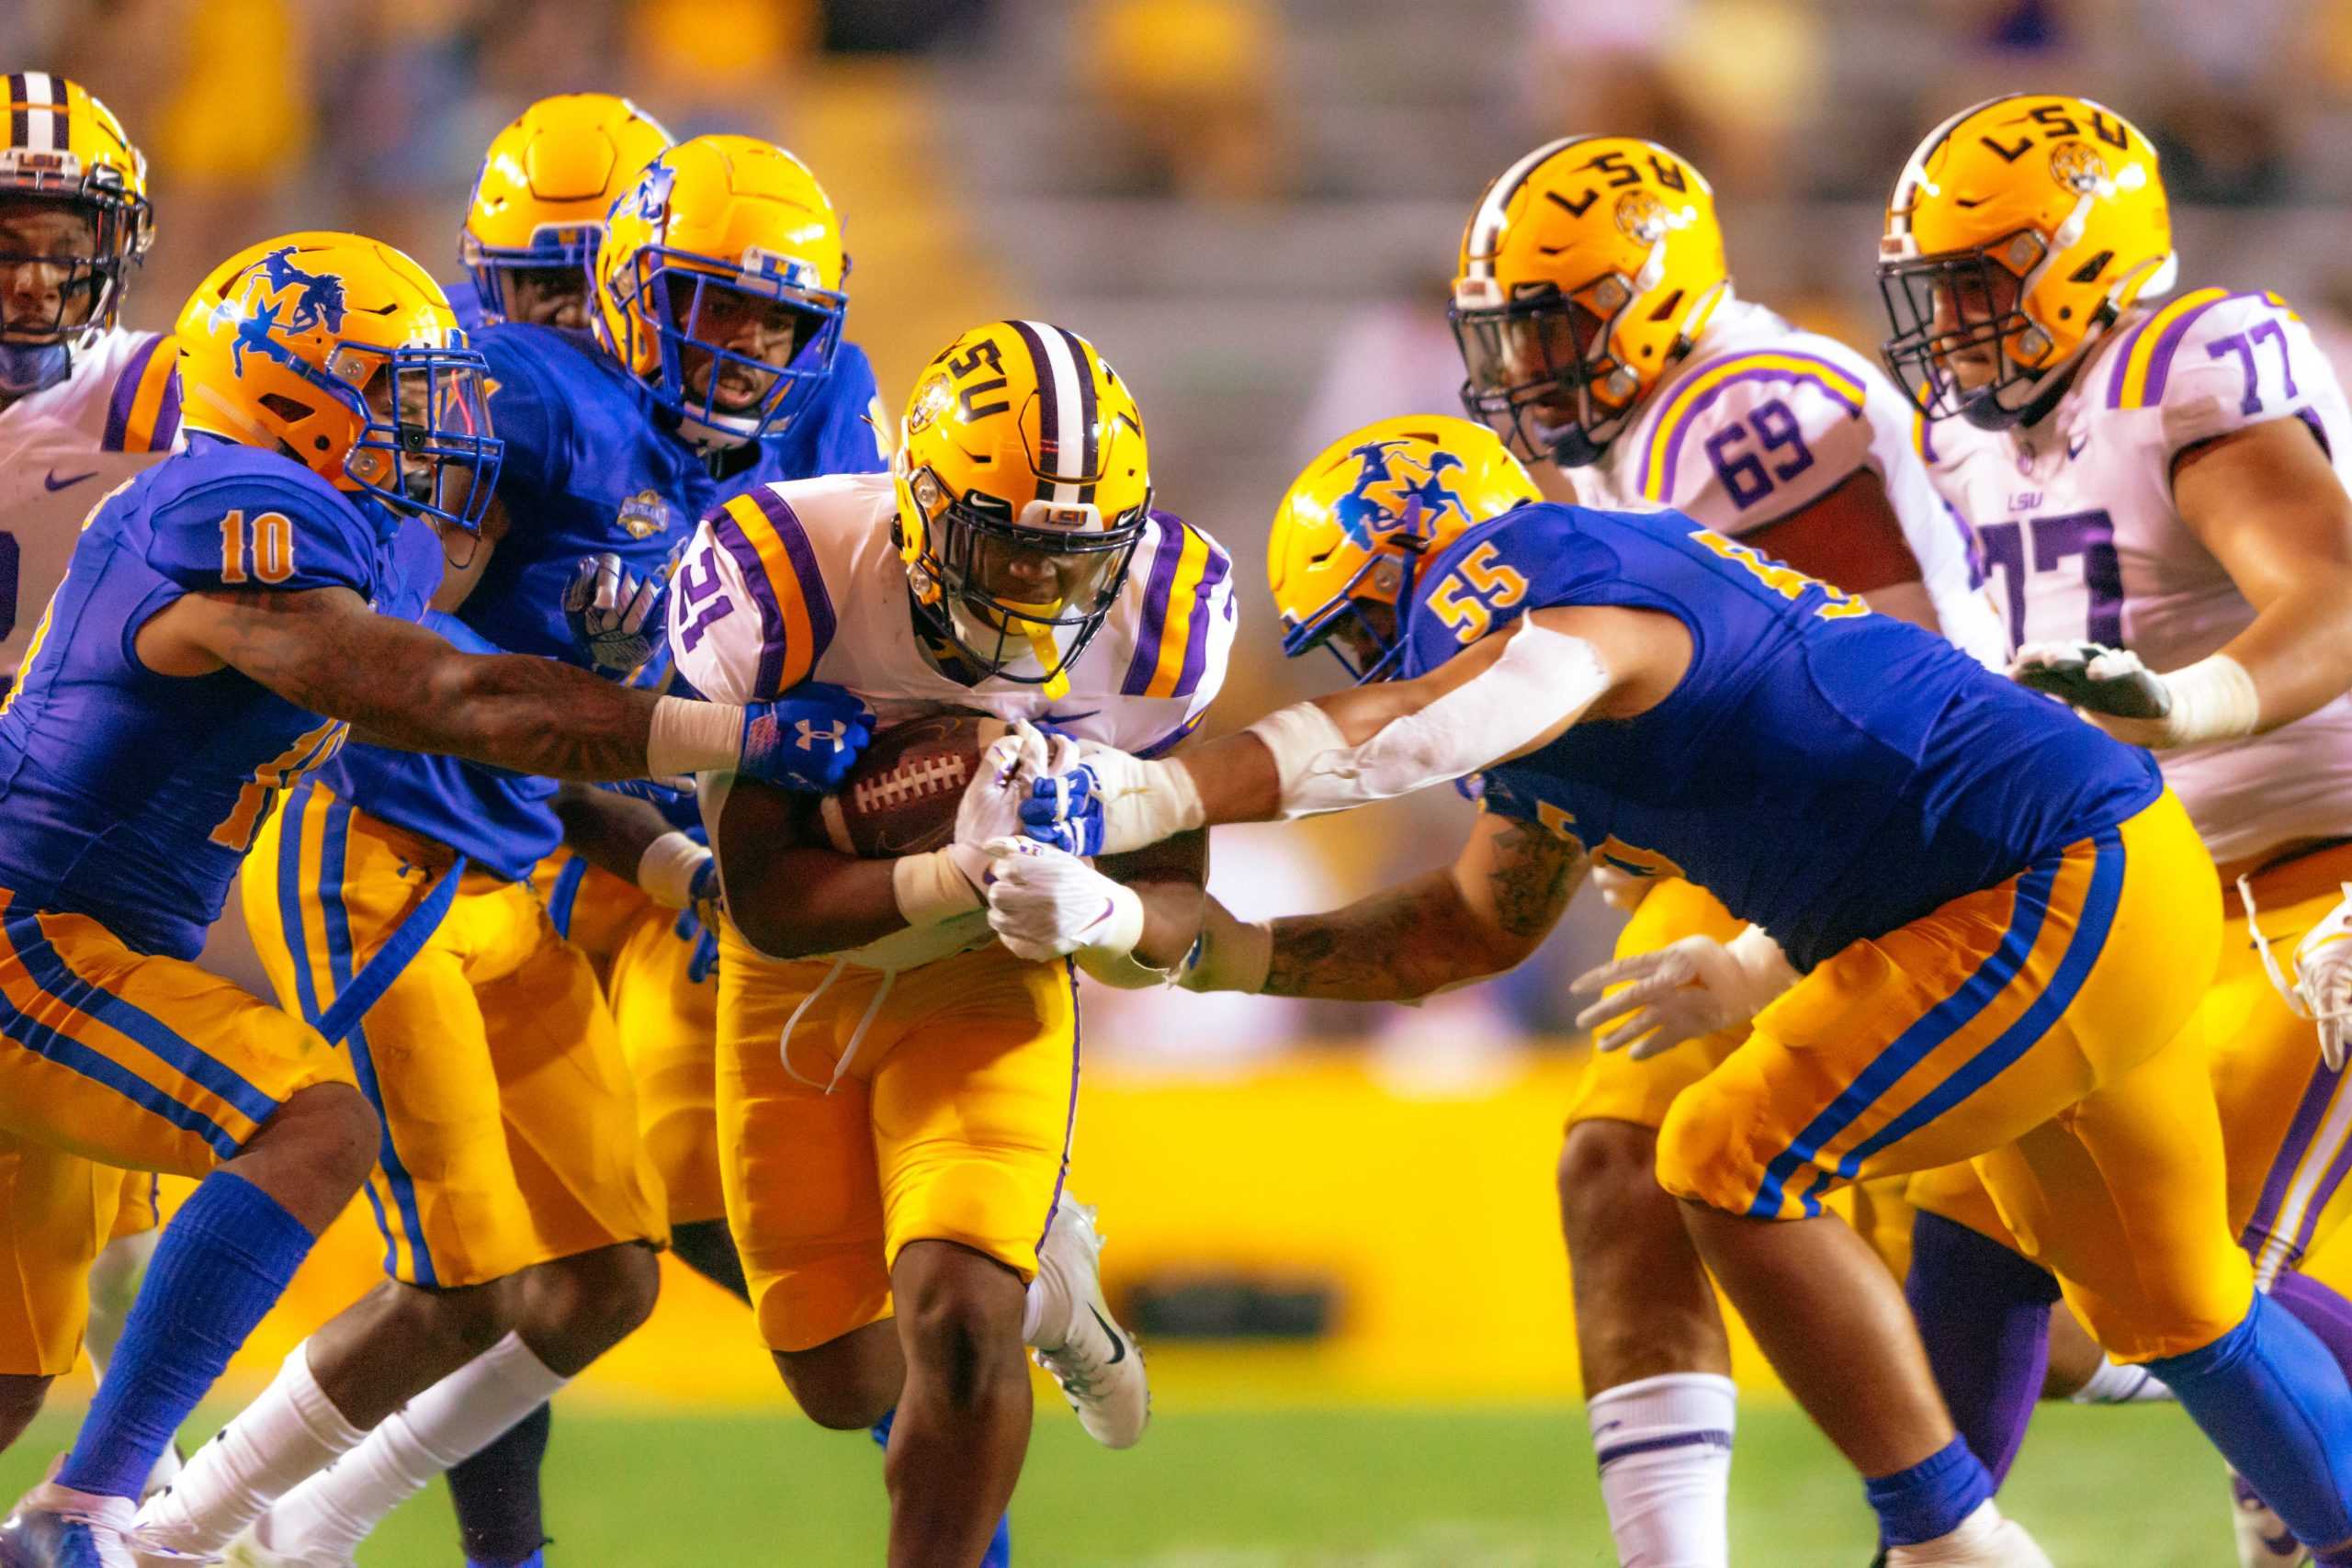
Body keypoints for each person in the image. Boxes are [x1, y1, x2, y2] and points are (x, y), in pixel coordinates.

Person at [993, 413, 2352, 1568]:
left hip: (2033, 881)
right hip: (2106, 866)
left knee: (1721, 1149)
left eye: (1370, 615)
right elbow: (1461, 929)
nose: (1378, 655)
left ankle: (1950, 1537)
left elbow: (1415, 725)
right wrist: (1206, 944)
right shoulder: (1550, 681)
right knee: (2187, 1307)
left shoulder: (1552, 571)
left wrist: (1149, 791)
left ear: (1431, 546)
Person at [0, 228, 857, 1568]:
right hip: (30, 932)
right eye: (402, 389)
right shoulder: (224, 501)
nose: (442, 421)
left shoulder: (340, 529)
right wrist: (720, 738)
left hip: (83, 941)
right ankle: (100, 1513)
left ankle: (88, 1510)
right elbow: (452, 696)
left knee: (6, 1376)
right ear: (292, 389)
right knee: (309, 1120)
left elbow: (485, 683)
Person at [1445, 132, 2003, 1568]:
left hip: (1913, 840)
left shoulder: (1749, 408)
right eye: (1508, 331)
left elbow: (1898, 675)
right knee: (1623, 1161)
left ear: (1652, 297)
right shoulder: (1629, 431)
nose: (1527, 363)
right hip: (1780, 845)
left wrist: (1761, 939)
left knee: (2025, 1301)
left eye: (1555, 321)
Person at [1877, 92, 2352, 1568]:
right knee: (1974, 1205)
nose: (1950, 325)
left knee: (2193, 1280)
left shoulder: (2183, 361)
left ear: (2083, 262)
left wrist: (2188, 701)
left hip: (2324, 874)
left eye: (1978, 281)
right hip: (2144, 897)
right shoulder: (1977, 446)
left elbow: (2333, 598)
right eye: (1935, 291)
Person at [662, 320, 1220, 1566]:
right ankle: (1052, 1286)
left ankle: (1010, 1287)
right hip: (804, 970)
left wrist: (1107, 913)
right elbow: (764, 893)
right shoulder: (789, 569)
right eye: (1002, 548)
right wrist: (943, 869)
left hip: (992, 973)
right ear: (917, 507)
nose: (1035, 593)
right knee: (840, 1369)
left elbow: (1181, 899)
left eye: (1071, 562)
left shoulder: (1161, 618)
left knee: (959, 1320)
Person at [0, 71, 185, 1502]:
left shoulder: (168, 391)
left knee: (103, 1247)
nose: (36, 269)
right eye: (8, 233)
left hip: (84, 855)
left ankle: (125, 1494)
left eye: (66, 238)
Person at [449, 92, 673, 333]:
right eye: (550, 284)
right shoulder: (432, 335)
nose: (580, 316)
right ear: (489, 279)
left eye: (616, 283)